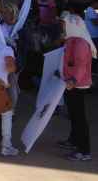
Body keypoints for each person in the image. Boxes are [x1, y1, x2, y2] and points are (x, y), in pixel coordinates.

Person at [58, 13, 96, 161]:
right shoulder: (71, 41)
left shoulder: (80, 44)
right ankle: (74, 141)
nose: (62, 27)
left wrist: (73, 80)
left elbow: (80, 65)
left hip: (77, 85)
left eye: (64, 24)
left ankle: (84, 151)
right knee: (74, 115)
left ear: (72, 26)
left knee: (79, 117)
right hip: (71, 83)